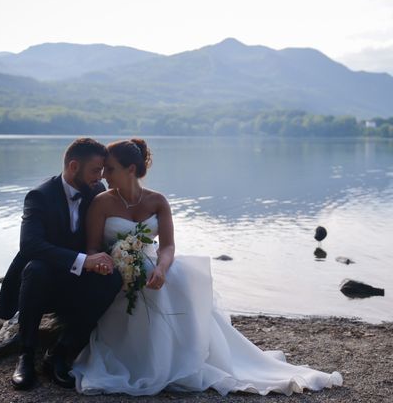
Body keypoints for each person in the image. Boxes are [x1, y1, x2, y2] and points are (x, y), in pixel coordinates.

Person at [71, 138, 343, 395]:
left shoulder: (158, 201)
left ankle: (180, 359)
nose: (105, 175)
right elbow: (93, 248)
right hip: (118, 273)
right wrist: (110, 263)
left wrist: (162, 268)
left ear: (131, 169)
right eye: (104, 169)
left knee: (176, 285)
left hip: (156, 266)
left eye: (111, 169)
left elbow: (167, 246)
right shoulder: (101, 202)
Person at [0, 138, 123, 390]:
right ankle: (26, 355)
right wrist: (84, 261)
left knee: (113, 278)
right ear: (74, 166)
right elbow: (29, 245)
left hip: (76, 284)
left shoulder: (96, 194)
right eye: (96, 171)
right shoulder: (39, 196)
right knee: (35, 268)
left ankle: (59, 352)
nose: (101, 177)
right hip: (43, 284)